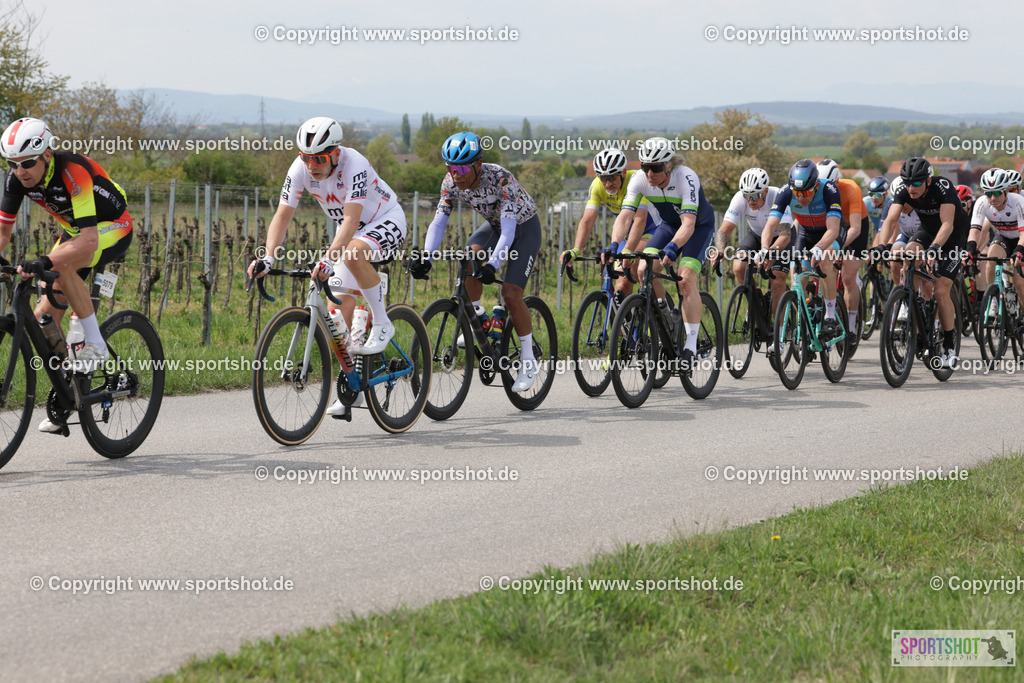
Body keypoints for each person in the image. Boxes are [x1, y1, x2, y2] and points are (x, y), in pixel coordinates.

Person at [248, 117, 407, 415]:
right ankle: (353, 384)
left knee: (352, 255)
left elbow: (349, 220)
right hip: (350, 233)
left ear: (335, 153)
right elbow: (282, 217)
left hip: (384, 219)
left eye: (318, 158)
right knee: (337, 314)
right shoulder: (300, 170)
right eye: (306, 158)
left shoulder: (354, 164)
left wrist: (328, 259)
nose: (311, 165)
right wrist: (268, 257)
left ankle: (383, 322)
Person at [0, 117, 134, 433]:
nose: (20, 171)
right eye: (12, 164)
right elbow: (3, 232)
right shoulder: (16, 179)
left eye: (27, 163)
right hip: (75, 232)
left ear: (47, 154)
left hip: (111, 227)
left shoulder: (73, 171)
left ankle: (96, 343)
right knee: (43, 316)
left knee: (61, 267)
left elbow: (88, 241)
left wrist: (46, 259)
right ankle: (68, 392)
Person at [410, 131, 543, 392]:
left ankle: (528, 360)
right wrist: (426, 256)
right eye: (450, 167)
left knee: (510, 292)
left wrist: (493, 265)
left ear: (478, 165)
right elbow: (439, 221)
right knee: (468, 258)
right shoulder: (449, 182)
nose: (455, 174)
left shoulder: (500, 179)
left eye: (461, 167)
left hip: (525, 228)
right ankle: (479, 319)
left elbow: (509, 232)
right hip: (494, 225)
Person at [614, 137, 716, 368]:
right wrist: (614, 244)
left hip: (698, 227)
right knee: (643, 269)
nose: (650, 174)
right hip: (669, 226)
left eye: (656, 168)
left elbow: (688, 224)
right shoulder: (640, 179)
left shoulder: (686, 177)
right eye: (645, 167)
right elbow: (625, 216)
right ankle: (666, 313)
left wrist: (673, 247)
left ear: (669, 166)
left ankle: (690, 345)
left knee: (686, 277)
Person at [879, 157, 969, 368]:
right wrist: (882, 246)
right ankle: (912, 299)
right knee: (908, 256)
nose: (911, 188)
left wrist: (936, 248)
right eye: (908, 182)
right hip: (927, 232)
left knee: (941, 289)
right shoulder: (904, 190)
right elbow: (891, 220)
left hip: (953, 237)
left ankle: (948, 343)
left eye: (917, 183)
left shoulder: (943, 187)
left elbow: (947, 224)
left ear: (928, 180)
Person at [763, 159, 846, 338]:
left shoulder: (829, 189)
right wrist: (765, 249)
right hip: (805, 233)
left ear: (816, 185)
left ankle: (830, 316)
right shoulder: (786, 192)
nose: (801, 197)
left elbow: (833, 229)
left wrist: (819, 247)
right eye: (797, 193)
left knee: (824, 261)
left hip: (830, 233)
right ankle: (804, 318)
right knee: (797, 279)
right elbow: (770, 226)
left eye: (806, 192)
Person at [560, 149, 655, 305]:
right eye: (603, 178)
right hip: (627, 233)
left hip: (651, 230)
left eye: (611, 178)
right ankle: (623, 326)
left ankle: (662, 309)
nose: (607, 183)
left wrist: (628, 249)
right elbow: (587, 220)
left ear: (623, 172)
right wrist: (576, 249)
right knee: (621, 285)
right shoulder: (597, 186)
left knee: (642, 270)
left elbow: (639, 220)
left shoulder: (638, 180)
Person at [712, 167, 792, 313]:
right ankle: (756, 304)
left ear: (765, 191)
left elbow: (785, 235)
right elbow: (725, 229)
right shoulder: (739, 198)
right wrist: (720, 248)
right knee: (738, 267)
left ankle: (779, 332)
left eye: (755, 195)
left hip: (779, 239)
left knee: (777, 282)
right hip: (756, 235)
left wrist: (771, 252)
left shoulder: (778, 196)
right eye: (747, 195)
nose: (750, 200)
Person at [817, 159, 865, 343]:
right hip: (830, 226)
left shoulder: (851, 188)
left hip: (853, 227)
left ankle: (851, 327)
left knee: (847, 277)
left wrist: (838, 247)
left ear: (837, 181)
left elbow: (855, 228)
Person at [968, 169, 1024, 316]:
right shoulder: (982, 203)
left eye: (997, 193)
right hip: (1004, 237)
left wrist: (1019, 250)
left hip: (1022, 239)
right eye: (988, 193)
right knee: (991, 257)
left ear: (1006, 191)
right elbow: (976, 230)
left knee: (1019, 284)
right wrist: (971, 249)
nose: (993, 198)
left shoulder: (1018, 201)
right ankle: (993, 298)